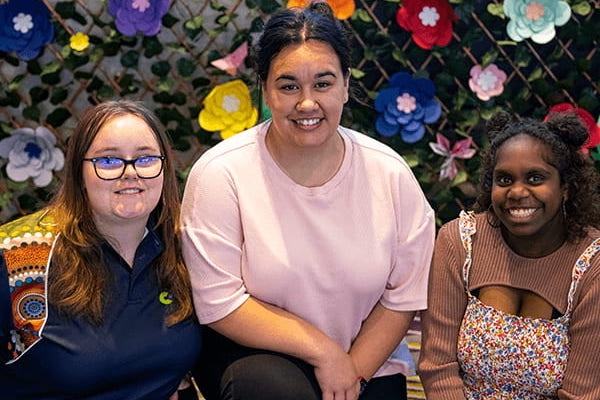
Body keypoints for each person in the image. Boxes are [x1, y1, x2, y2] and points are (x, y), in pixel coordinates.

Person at [180, 2, 435, 400]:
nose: (307, 102)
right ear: (265, 89)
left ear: (346, 85)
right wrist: (323, 352)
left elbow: (403, 296)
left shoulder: (389, 173)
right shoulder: (221, 174)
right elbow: (220, 302)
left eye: (323, 83)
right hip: (253, 358)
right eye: (288, 86)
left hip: (364, 356)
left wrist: (352, 373)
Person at [0, 100, 202, 399]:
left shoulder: (185, 246)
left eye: (145, 159)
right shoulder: (18, 254)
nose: (130, 172)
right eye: (109, 161)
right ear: (79, 173)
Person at [418, 110, 600, 399]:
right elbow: (438, 366)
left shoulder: (592, 264)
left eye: (535, 178)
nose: (517, 192)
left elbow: (581, 393)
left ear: (565, 187)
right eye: (504, 180)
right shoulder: (460, 242)